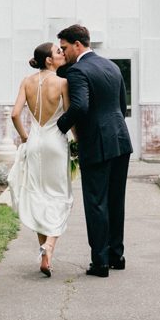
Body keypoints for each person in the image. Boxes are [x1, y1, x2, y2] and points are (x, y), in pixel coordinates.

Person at [55, 24, 133, 277]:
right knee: (115, 200)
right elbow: (120, 106)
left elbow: (79, 106)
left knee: (96, 202)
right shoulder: (111, 67)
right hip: (120, 140)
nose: (63, 53)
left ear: (78, 45)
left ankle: (99, 262)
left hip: (97, 143)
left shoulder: (78, 71)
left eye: (65, 48)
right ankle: (116, 256)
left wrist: (58, 127)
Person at [6, 42, 74, 277]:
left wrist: (25, 137)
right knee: (60, 196)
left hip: (33, 142)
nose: (62, 54)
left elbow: (15, 114)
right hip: (55, 142)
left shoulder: (27, 81)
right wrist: (76, 142)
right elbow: (69, 116)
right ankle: (49, 246)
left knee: (38, 195)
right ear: (48, 60)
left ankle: (46, 254)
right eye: (58, 52)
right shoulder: (63, 82)